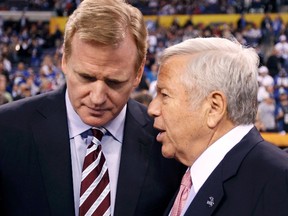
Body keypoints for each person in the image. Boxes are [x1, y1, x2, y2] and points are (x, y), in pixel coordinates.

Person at [0, 0, 185, 215]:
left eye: (114, 82)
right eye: (86, 77)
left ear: (139, 71)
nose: (97, 98)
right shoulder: (7, 131)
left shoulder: (168, 140)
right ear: (64, 60)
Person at [148, 37, 288, 216]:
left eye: (164, 95)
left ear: (214, 107)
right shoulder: (184, 176)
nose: (152, 109)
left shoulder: (278, 181)